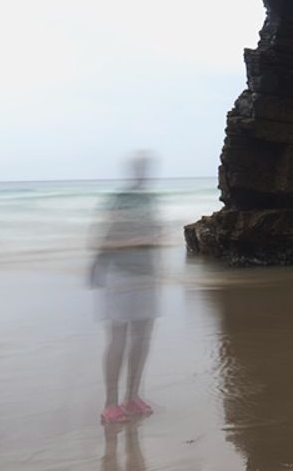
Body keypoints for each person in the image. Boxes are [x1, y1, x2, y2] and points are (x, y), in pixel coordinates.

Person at [89, 151, 162, 425]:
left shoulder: (150, 199)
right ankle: (110, 403)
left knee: (142, 338)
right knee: (118, 338)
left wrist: (158, 273)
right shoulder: (120, 198)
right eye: (141, 167)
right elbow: (105, 235)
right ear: (133, 170)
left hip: (145, 277)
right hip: (119, 276)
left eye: (148, 167)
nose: (145, 171)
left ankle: (132, 396)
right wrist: (95, 268)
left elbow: (154, 240)